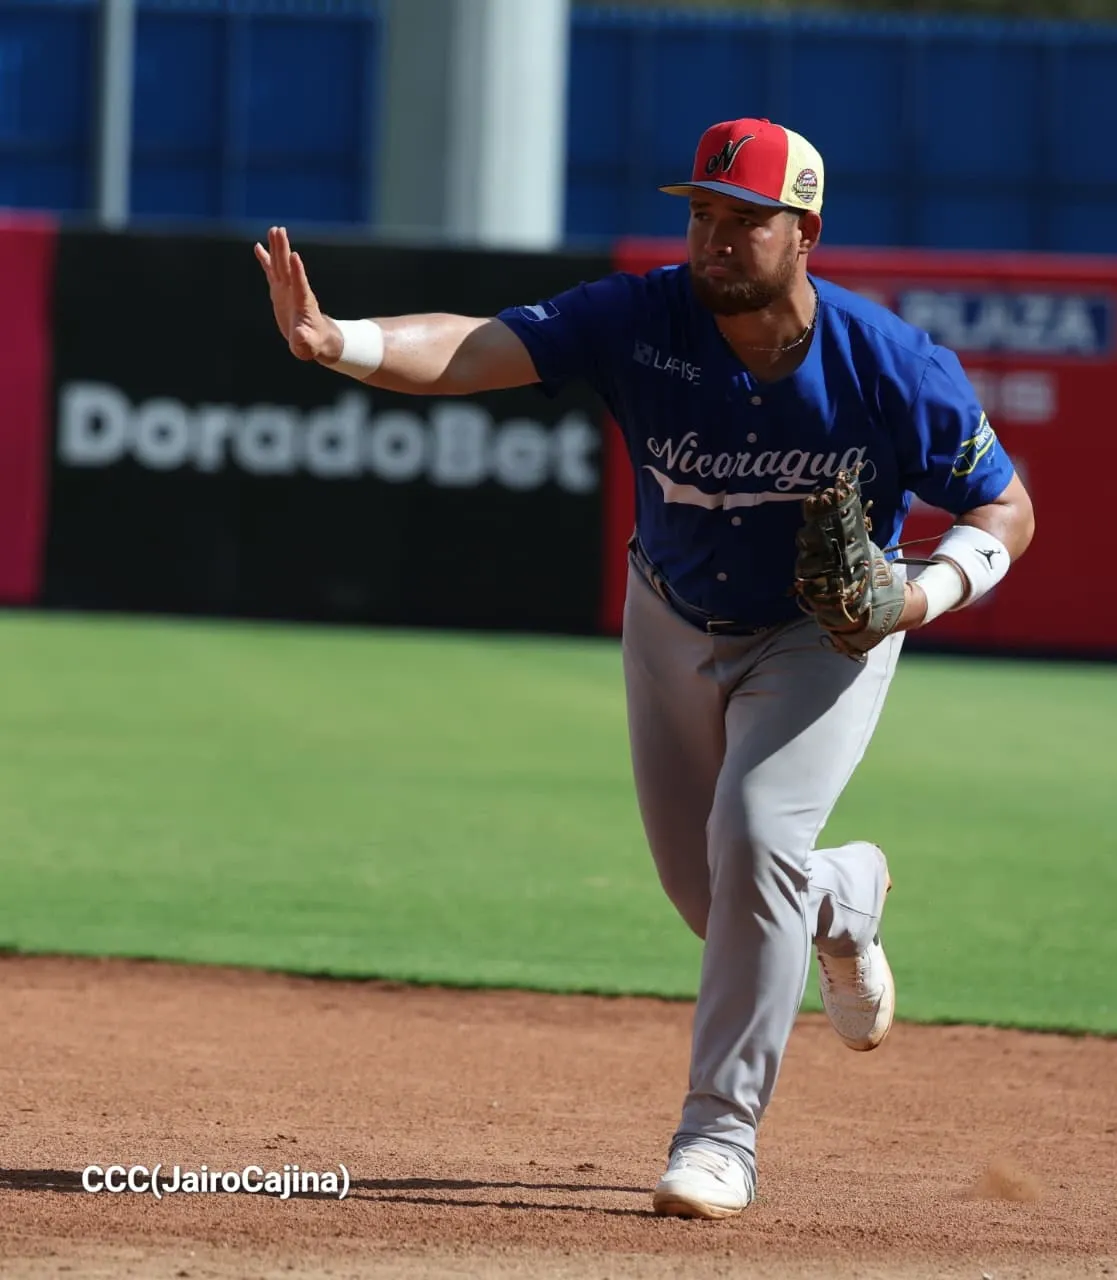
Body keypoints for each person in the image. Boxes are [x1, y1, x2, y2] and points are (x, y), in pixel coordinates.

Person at [254, 116, 1035, 1221]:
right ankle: (841, 898)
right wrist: (343, 342)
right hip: (671, 616)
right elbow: (479, 344)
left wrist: (917, 593)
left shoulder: (889, 363)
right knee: (707, 893)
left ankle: (719, 1133)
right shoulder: (640, 316)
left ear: (804, 232)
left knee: (757, 831)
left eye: (744, 221)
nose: (714, 239)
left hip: (824, 630)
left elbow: (1004, 506)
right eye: (701, 214)